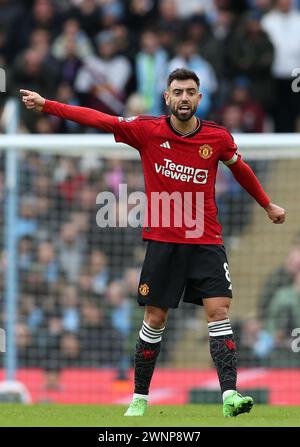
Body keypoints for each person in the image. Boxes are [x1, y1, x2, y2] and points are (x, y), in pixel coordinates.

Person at [20, 68, 286, 417]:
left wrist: (267, 204)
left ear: (200, 98)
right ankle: (140, 398)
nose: (185, 98)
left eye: (191, 92)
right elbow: (99, 119)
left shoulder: (217, 138)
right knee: (155, 318)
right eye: (178, 92)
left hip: (206, 239)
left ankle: (230, 395)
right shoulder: (147, 130)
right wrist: (48, 105)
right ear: (167, 97)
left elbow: (241, 169)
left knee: (219, 311)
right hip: (163, 241)